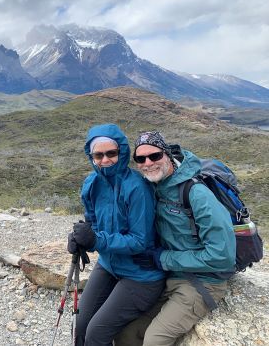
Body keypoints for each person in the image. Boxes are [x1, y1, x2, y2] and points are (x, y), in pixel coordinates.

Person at [115, 132, 236, 346]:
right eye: (140, 159)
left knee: (154, 341)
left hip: (204, 282)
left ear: (168, 154)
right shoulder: (154, 187)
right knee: (126, 333)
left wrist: (163, 259)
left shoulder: (196, 194)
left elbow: (222, 256)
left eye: (154, 155)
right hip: (170, 277)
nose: (148, 163)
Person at [68, 124, 165, 346]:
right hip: (109, 266)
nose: (105, 160)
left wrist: (96, 240)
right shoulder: (91, 184)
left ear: (121, 153)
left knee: (96, 334)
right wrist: (79, 238)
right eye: (98, 155)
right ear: (90, 156)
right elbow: (91, 222)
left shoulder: (137, 187)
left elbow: (140, 240)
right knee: (80, 328)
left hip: (141, 275)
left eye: (111, 153)